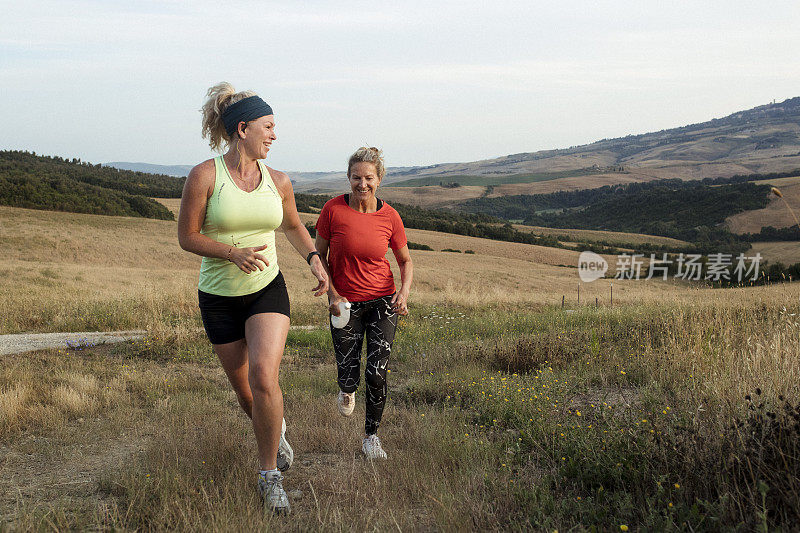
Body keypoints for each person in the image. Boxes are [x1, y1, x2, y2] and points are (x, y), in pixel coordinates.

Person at [178, 82, 328, 514]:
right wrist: (230, 252)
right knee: (247, 394)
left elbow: (295, 228)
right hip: (218, 297)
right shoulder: (205, 176)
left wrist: (314, 259)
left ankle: (269, 476)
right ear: (242, 128)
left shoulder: (278, 181)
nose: (274, 135)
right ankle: (275, 431)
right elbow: (186, 237)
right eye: (269, 126)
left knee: (264, 376)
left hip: (267, 289)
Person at [314, 147, 413, 460]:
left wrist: (404, 292)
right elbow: (319, 257)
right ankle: (346, 388)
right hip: (344, 304)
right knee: (348, 370)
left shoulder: (390, 216)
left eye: (368, 177)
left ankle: (371, 436)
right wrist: (331, 293)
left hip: (383, 301)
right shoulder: (332, 210)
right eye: (356, 177)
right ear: (348, 178)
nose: (362, 183)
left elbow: (406, 261)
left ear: (379, 179)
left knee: (376, 372)